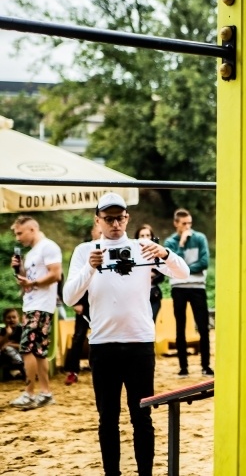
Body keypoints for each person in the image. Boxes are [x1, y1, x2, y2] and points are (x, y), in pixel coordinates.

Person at [63, 193, 189, 476]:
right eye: (108, 219)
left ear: (127, 218)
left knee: (142, 416)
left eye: (119, 218)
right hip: (103, 344)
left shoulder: (142, 247)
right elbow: (69, 297)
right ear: (98, 220)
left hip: (139, 343)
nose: (115, 224)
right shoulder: (85, 251)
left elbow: (183, 273)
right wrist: (89, 268)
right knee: (107, 418)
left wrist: (165, 254)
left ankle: (145, 473)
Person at [9, 216, 62, 410]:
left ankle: (29, 394)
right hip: (33, 304)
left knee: (27, 349)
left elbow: (56, 274)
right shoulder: (32, 253)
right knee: (39, 351)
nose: (18, 238)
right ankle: (45, 393)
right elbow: (28, 282)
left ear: (32, 229)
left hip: (40, 305)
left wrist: (32, 283)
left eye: (20, 233)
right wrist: (19, 270)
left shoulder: (48, 247)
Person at [164, 208, 213, 377]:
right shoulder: (170, 242)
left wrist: (183, 270)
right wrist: (182, 243)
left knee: (203, 327)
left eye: (189, 223)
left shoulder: (200, 238)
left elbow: (204, 262)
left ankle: (206, 366)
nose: (187, 227)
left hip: (198, 287)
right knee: (180, 328)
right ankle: (183, 367)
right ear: (175, 223)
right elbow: (171, 264)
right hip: (178, 288)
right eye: (184, 223)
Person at [64, 221, 102, 386]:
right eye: (99, 231)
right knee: (79, 336)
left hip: (102, 301)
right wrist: (77, 303)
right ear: (93, 232)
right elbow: (75, 279)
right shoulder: (83, 251)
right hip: (83, 302)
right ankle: (72, 371)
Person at [134, 225, 165, 323]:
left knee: (151, 323)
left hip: (153, 294)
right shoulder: (132, 253)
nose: (145, 238)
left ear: (152, 237)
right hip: (137, 295)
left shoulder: (158, 253)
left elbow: (162, 275)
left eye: (148, 235)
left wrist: (152, 276)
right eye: (142, 235)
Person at [0, 308, 24, 381]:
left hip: (21, 355)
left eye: (14, 317)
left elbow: (24, 346)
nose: (11, 320)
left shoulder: (21, 329)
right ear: (4, 320)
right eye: (9, 318)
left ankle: (20, 367)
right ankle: (16, 371)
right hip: (7, 357)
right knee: (5, 351)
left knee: (8, 348)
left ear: (18, 318)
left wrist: (9, 344)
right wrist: (7, 334)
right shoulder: (3, 330)